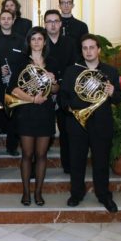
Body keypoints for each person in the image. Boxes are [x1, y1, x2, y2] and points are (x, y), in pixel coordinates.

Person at [60, 34, 121, 213]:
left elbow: (118, 98)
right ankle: (76, 194)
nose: (88, 51)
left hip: (101, 124)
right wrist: (71, 110)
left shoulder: (110, 71)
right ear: (81, 51)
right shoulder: (72, 71)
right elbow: (63, 97)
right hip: (77, 123)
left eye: (92, 47)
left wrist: (113, 93)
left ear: (98, 50)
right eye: (85, 48)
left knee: (101, 162)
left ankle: (104, 195)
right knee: (76, 161)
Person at [9, 27, 59, 206]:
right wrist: (32, 99)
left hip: (45, 112)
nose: (37, 42)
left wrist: (53, 82)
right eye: (33, 39)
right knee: (27, 154)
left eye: (40, 39)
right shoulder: (20, 61)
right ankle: (26, 192)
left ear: (45, 42)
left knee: (42, 154)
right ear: (28, 42)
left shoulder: (52, 62)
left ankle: (38, 192)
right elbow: (13, 89)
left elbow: (55, 90)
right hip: (26, 112)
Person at [44, 10, 77, 173]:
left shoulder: (70, 43)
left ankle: (68, 165)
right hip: (44, 92)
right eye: (49, 21)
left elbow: (73, 66)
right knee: (44, 129)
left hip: (64, 91)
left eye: (56, 21)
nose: (53, 24)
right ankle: (39, 164)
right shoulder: (40, 42)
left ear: (60, 23)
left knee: (65, 130)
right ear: (45, 24)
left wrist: (61, 83)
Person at [0, 10, 25, 157]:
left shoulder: (21, 40)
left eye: (8, 18)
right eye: (3, 19)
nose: (5, 21)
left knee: (14, 118)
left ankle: (12, 147)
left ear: (13, 20)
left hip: (15, 86)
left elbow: (23, 62)